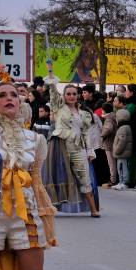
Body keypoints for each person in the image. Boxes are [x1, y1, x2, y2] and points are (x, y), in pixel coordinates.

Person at [0, 79, 73, 270]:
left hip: (24, 214)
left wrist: (46, 217)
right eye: (2, 95)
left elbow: (38, 180)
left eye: (14, 95)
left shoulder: (36, 140)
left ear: (21, 103)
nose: (9, 99)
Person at [42, 67, 100, 217]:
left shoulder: (84, 114)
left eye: (74, 94)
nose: (72, 96)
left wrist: (90, 150)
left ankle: (94, 209)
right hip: (59, 147)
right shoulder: (58, 107)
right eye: (68, 94)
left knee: (84, 177)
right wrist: (50, 74)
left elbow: (85, 133)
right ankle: (49, 208)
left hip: (78, 148)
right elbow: (53, 92)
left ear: (78, 95)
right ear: (64, 95)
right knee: (57, 176)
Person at [111, 109, 134, 189]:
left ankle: (124, 182)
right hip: (123, 153)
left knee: (122, 167)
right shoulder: (126, 127)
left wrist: (117, 151)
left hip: (122, 153)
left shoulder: (123, 128)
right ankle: (121, 181)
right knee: (121, 167)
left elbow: (122, 141)